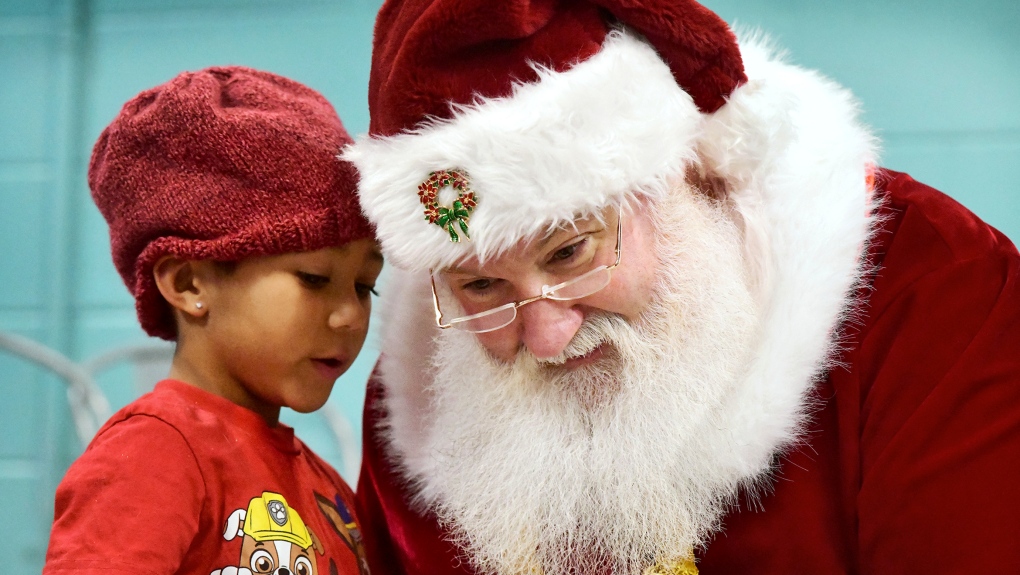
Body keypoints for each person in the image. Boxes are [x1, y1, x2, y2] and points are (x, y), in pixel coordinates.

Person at [341, 0, 1020, 573]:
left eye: (571, 251)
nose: (545, 336)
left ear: (689, 171)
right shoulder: (418, 409)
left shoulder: (933, 293)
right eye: (482, 284)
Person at [43, 66, 380, 575]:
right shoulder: (154, 454)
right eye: (313, 278)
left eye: (365, 286)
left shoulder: (329, 489)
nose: (350, 315)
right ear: (188, 285)